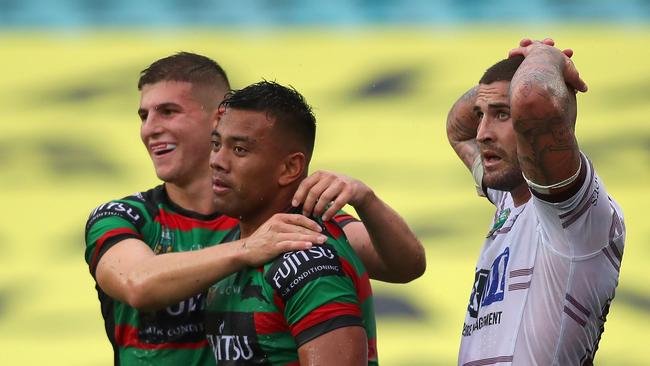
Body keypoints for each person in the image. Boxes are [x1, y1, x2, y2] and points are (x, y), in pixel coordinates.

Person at [84, 53, 424, 365]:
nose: (150, 128)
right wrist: (248, 249)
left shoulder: (288, 223)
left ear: (219, 115)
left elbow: (406, 265)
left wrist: (366, 198)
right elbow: (137, 283)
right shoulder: (125, 217)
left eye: (169, 112)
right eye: (144, 115)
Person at [446, 39, 625, 365]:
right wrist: (514, 70)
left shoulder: (573, 213)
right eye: (482, 115)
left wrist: (544, 55)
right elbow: (458, 129)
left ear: (551, 125)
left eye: (502, 114)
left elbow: (532, 96)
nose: (483, 132)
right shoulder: (507, 196)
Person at [205, 80, 382, 365]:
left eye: (239, 150)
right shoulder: (234, 242)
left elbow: (410, 264)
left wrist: (367, 199)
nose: (217, 161)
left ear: (290, 168)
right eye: (216, 144)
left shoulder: (308, 261)